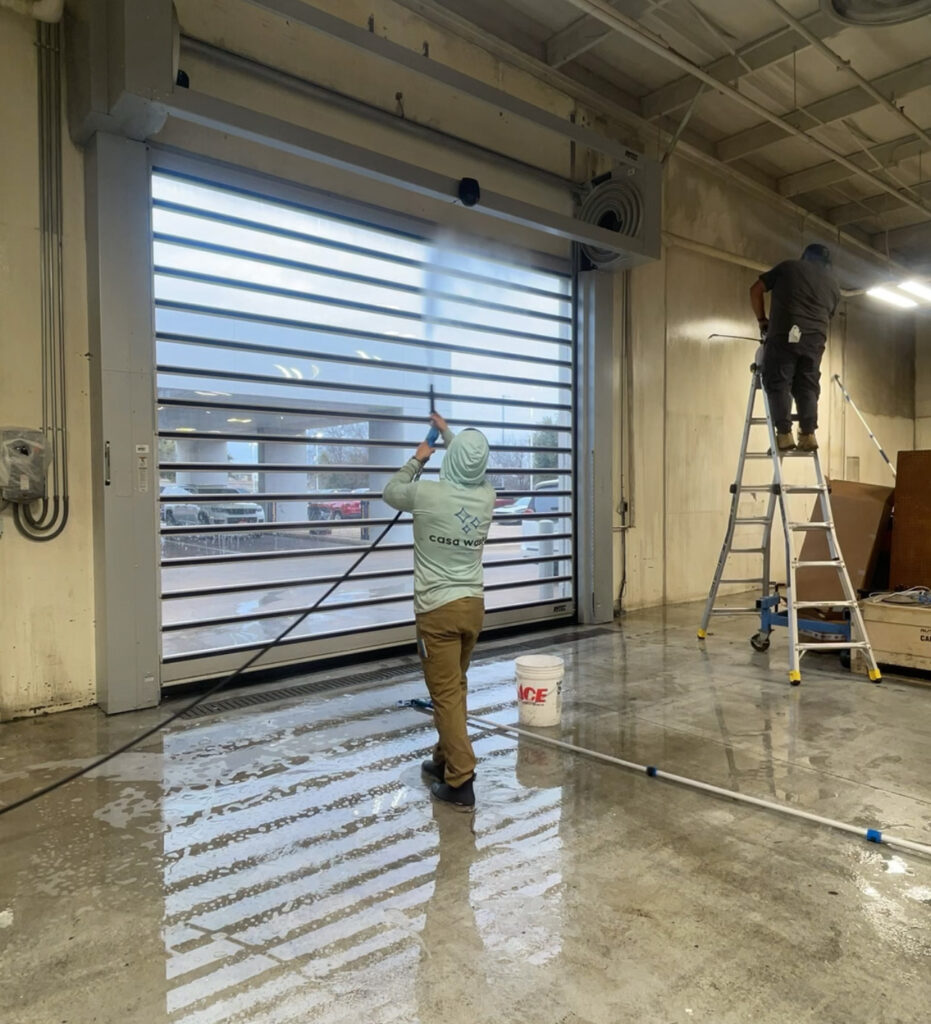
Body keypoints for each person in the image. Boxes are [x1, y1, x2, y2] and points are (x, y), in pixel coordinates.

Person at [384, 410, 495, 811]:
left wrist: (419, 457)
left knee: (445, 693)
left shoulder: (425, 493)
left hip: (437, 611)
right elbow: (468, 463)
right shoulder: (486, 497)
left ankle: (461, 779)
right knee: (456, 687)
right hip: (472, 608)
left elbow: (391, 491)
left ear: (449, 459)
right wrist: (448, 433)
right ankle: (443, 760)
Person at [750, 243, 840, 453]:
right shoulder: (834, 285)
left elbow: (755, 290)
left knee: (779, 380)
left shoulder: (789, 267)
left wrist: (762, 320)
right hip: (815, 339)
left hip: (786, 333)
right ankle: (808, 434)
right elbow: (828, 315)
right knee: (808, 384)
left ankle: (784, 434)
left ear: (804, 257)